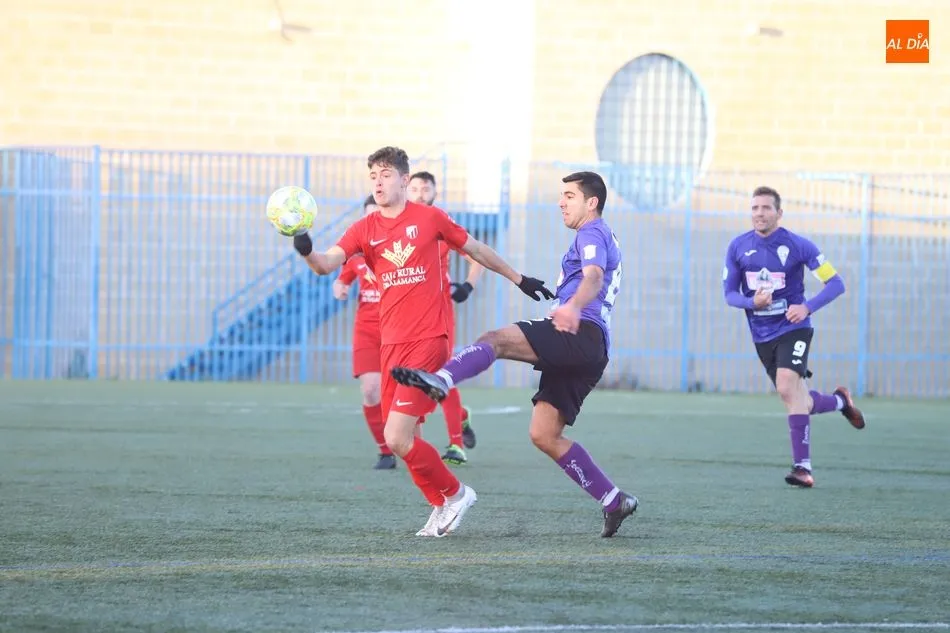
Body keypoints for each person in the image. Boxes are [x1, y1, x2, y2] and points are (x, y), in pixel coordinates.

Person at [291, 146, 554, 536]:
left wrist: (520, 279)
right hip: (390, 345)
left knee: (395, 436)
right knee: (407, 436)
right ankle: (439, 504)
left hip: (429, 339)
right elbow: (325, 264)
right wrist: (304, 244)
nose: (378, 182)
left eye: (385, 175)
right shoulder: (364, 228)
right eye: (373, 176)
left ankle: (457, 493)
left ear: (403, 179)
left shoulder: (430, 218)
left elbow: (476, 249)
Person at [391, 171, 639, 538]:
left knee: (496, 339)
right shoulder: (600, 234)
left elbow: (593, 277)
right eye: (561, 195)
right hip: (592, 347)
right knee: (544, 434)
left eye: (569, 196)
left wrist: (572, 307)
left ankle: (441, 379)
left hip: (579, 331)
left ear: (592, 203)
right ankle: (614, 500)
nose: (561, 202)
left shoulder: (592, 232)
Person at [721, 185, 866, 488]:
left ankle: (803, 468)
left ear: (779, 213)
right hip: (762, 335)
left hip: (794, 328)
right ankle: (840, 402)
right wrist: (751, 302)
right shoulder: (738, 247)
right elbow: (730, 294)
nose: (759, 213)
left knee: (787, 387)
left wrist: (806, 307)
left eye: (766, 208)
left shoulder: (799, 246)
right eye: (755, 208)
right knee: (798, 399)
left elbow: (836, 283)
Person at [407, 170, 480, 465]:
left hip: (438, 310)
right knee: (412, 376)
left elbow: (475, 257)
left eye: (426, 188)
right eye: (415, 188)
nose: (420, 193)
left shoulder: (441, 222)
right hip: (406, 314)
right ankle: (459, 416)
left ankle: (455, 445)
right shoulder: (396, 225)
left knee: (441, 374)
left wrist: (467, 286)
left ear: (435, 192)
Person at [332, 195, 394, 470]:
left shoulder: (399, 249)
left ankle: (409, 442)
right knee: (370, 390)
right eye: (368, 214)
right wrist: (340, 288)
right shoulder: (355, 254)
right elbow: (341, 279)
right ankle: (385, 451)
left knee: (402, 395)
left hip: (398, 329)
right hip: (367, 331)